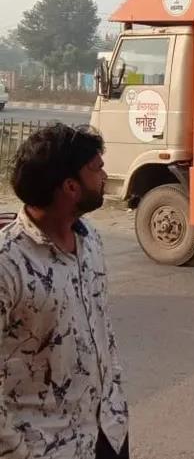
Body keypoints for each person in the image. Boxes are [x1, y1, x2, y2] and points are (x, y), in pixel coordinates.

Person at [1, 123, 129, 458]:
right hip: (45, 446)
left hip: (107, 431)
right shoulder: (8, 263)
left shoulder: (90, 239)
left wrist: (115, 393)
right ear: (71, 187)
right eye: (97, 169)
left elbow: (101, 328)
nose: (104, 176)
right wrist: (15, 450)